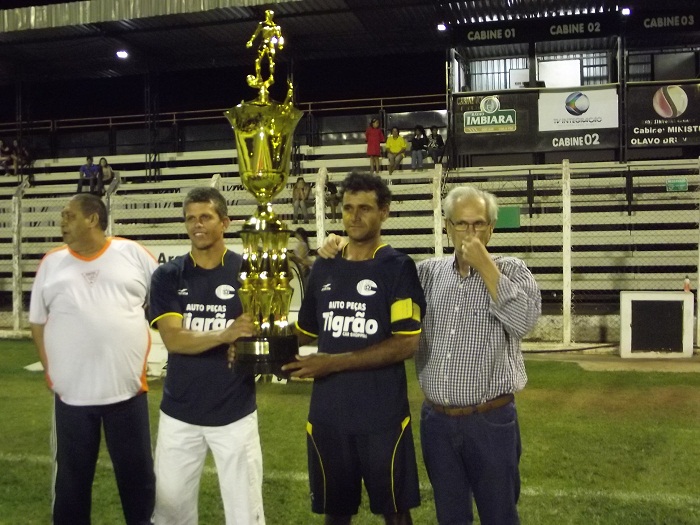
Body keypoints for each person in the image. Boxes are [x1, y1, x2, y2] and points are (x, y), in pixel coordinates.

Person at [317, 186, 542, 525]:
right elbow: (374, 290)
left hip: (490, 420)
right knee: (449, 516)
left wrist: (487, 268)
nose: (470, 233)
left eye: (478, 224)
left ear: (492, 228)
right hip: (437, 421)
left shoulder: (513, 270)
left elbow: (524, 322)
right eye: (461, 224)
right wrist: (342, 249)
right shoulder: (427, 273)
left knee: (499, 515)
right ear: (448, 227)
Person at [282, 171, 425, 525]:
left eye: (364, 208)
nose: (354, 216)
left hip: (382, 414)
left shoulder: (398, 268)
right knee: (336, 511)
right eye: (347, 208)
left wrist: (332, 363)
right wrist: (252, 342)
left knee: (394, 510)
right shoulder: (325, 266)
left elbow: (406, 343)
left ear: (385, 212)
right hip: (329, 414)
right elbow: (305, 330)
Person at [28, 193, 157, 525]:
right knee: (71, 486)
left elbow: (162, 307)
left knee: (138, 483)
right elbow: (38, 322)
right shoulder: (51, 263)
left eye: (69, 215)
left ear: (93, 219)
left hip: (128, 392)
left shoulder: (132, 255)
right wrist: (50, 369)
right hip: (72, 397)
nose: (62, 222)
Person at [148, 187, 263, 525]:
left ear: (225, 222)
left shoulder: (249, 274)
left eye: (205, 217)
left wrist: (247, 339)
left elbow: (257, 333)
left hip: (235, 413)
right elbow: (175, 340)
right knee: (170, 513)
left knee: (246, 515)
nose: (196, 224)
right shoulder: (168, 275)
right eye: (190, 218)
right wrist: (226, 334)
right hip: (179, 414)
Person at [288, 227, 314, 291]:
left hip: (302, 268)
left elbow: (301, 257)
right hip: (301, 267)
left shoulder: (302, 244)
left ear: (298, 234)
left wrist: (291, 256)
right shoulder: (302, 243)